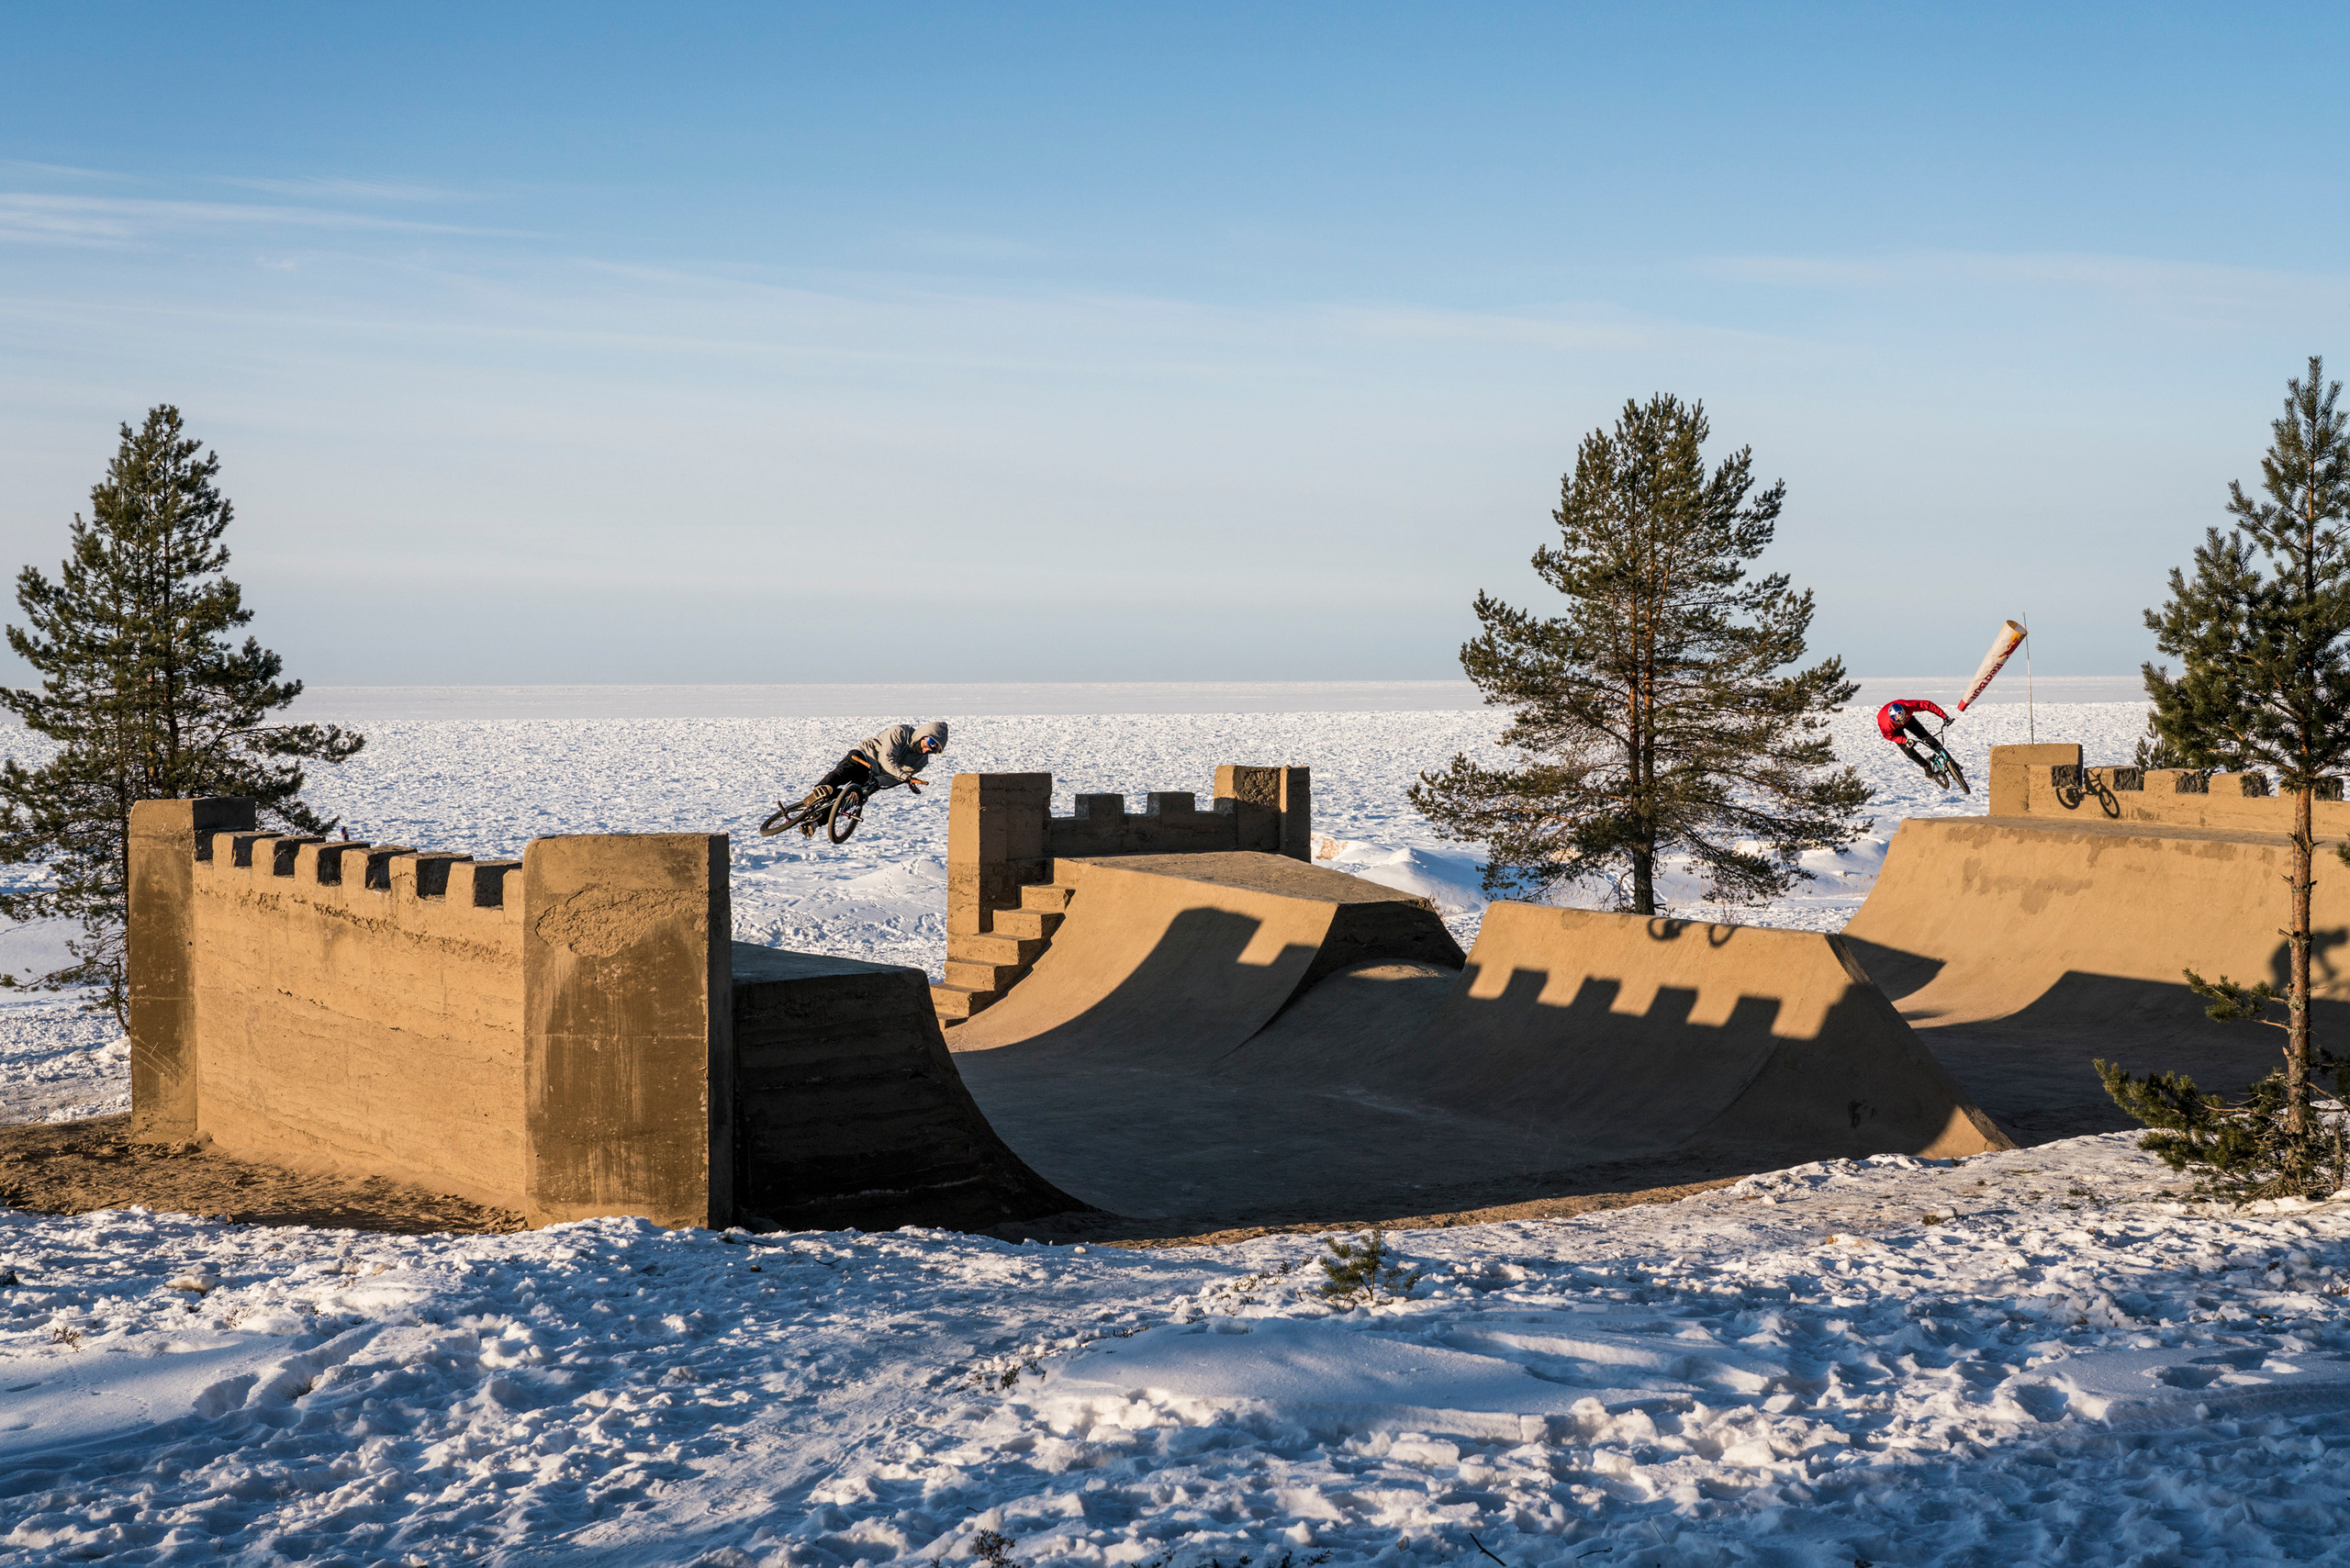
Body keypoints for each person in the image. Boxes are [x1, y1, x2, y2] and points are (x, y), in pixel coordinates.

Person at [794, 721, 949, 836]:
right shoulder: (900, 732)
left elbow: (895, 779)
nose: (929, 748)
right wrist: (904, 776)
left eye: (935, 749)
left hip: (877, 776)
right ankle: (822, 789)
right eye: (930, 742)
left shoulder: (921, 761)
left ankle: (814, 823)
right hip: (866, 757)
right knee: (845, 771)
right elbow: (886, 759)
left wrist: (880, 782)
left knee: (854, 799)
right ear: (923, 734)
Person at [1877, 699, 1953, 779]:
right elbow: (1889, 736)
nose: (1902, 723)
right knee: (1908, 750)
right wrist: (1904, 741)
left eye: (1903, 719)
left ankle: (1950, 761)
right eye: (1900, 722)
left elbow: (1928, 705)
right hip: (1895, 730)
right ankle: (1925, 766)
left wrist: (1944, 716)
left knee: (1928, 738)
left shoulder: (1908, 706)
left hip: (1909, 720)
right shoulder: (1885, 724)